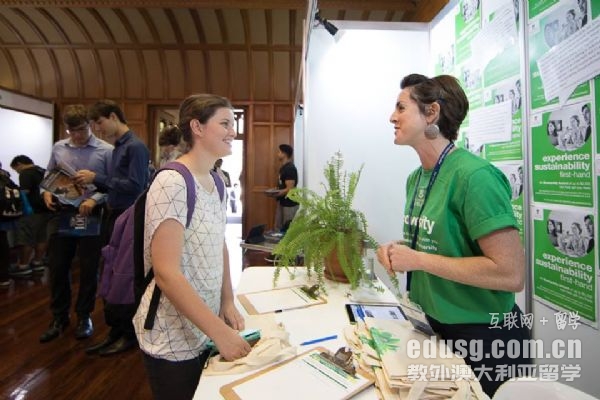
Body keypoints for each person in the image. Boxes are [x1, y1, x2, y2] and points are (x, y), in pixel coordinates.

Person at [377, 73, 530, 397]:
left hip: (484, 337)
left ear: (431, 113)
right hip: (433, 327)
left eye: (401, 107)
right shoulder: (416, 178)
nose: (392, 117)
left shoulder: (475, 177)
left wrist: (418, 259)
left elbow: (510, 274)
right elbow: (443, 246)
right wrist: (400, 250)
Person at [132, 94, 250, 400]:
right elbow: (166, 273)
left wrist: (227, 300)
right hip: (172, 333)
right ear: (197, 127)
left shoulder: (217, 180)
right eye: (225, 123)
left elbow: (219, 243)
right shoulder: (172, 182)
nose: (233, 131)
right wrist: (220, 333)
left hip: (204, 325)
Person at [76, 99, 150, 356]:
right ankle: (116, 330)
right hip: (115, 213)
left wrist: (97, 178)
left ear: (113, 116)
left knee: (124, 276)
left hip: (128, 216)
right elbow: (117, 184)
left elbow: (136, 185)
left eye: (99, 122)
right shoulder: (119, 147)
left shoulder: (135, 147)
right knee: (111, 271)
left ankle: (127, 333)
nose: (98, 129)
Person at [39, 105, 113, 343]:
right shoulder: (59, 147)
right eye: (72, 130)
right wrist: (46, 192)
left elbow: (113, 184)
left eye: (81, 129)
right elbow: (49, 175)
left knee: (89, 268)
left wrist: (94, 199)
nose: (77, 135)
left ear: (90, 125)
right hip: (63, 211)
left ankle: (84, 316)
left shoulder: (106, 150)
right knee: (58, 266)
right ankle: (58, 317)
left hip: (91, 212)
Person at [9, 155, 51, 276]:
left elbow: (25, 192)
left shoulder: (26, 173)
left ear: (19, 164)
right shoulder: (43, 171)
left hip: (31, 211)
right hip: (47, 210)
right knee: (42, 237)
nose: (17, 172)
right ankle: (37, 262)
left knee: (26, 238)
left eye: (16, 169)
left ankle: (23, 265)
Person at [266, 144, 299, 231]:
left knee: (288, 229)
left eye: (279, 152)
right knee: (278, 227)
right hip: (282, 202)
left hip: (290, 204)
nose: (278, 154)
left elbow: (290, 189)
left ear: (284, 154)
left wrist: (276, 194)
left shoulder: (290, 168)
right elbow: (282, 185)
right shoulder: (283, 168)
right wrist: (275, 190)